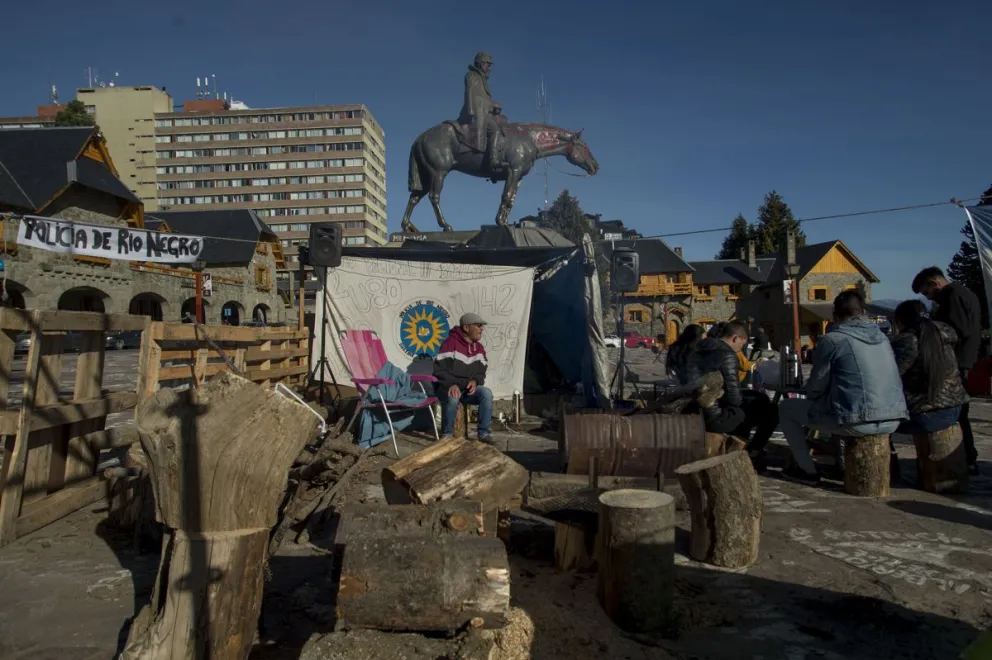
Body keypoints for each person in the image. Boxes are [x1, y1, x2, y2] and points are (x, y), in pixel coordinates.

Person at [779, 290, 908, 482]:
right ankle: (838, 463)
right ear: (863, 311)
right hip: (893, 416)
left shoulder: (832, 340)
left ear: (835, 316)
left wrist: (811, 392)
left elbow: (816, 386)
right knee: (837, 406)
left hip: (857, 419)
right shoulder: (883, 339)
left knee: (787, 409)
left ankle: (806, 470)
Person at [912, 266, 982, 473]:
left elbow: (955, 330)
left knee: (956, 413)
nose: (930, 298)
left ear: (935, 283)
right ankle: (966, 457)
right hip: (961, 361)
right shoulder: (963, 293)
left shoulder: (954, 296)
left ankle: (966, 458)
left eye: (927, 292)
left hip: (956, 362)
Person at [685, 321, 778, 463]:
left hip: (697, 408)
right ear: (735, 338)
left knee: (756, 401)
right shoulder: (727, 355)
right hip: (715, 416)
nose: (741, 348)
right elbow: (733, 397)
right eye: (742, 343)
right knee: (770, 411)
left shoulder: (698, 350)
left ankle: (746, 448)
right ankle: (752, 450)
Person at [890, 299, 967, 434]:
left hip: (926, 413)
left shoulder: (909, 340)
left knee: (877, 425)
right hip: (955, 407)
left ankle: (892, 454)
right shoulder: (943, 334)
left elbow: (892, 375)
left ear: (901, 320)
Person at [434, 313, 493, 442]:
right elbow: (439, 370)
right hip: (447, 387)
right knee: (454, 397)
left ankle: (483, 433)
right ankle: (446, 436)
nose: (481, 329)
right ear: (466, 328)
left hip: (466, 390)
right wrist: (451, 384)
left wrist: (475, 381)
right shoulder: (450, 343)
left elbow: (481, 371)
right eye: (478, 325)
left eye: (482, 326)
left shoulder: (479, 348)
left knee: (486, 393)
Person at [458, 51, 505, 175]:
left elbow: (484, 99)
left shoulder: (481, 79)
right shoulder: (472, 76)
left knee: (499, 126)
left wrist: (493, 106)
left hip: (483, 112)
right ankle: (487, 156)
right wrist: (491, 105)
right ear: (479, 64)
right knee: (492, 129)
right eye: (487, 64)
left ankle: (493, 156)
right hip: (476, 113)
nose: (489, 68)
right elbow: (473, 98)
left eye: (490, 65)